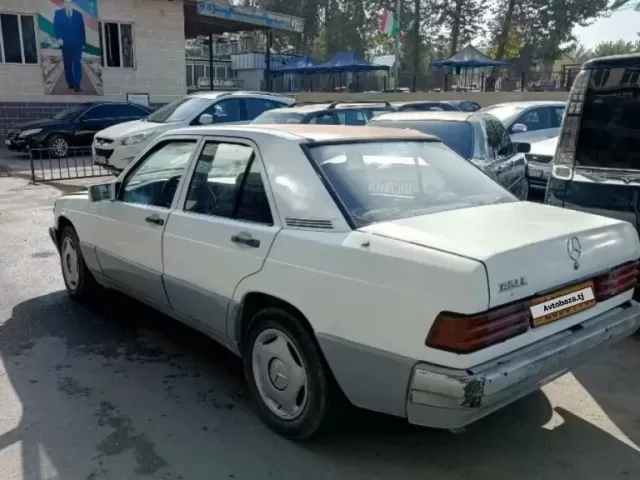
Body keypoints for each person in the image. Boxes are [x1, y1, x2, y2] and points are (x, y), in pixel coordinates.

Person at [53, 0, 86, 92]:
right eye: (66, 2)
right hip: (65, 44)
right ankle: (70, 83)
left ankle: (77, 84)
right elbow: (56, 26)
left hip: (77, 44)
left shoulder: (78, 15)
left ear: (72, 4)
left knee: (77, 64)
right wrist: (59, 37)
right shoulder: (58, 14)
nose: (68, 4)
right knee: (67, 65)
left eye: (70, 2)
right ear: (64, 3)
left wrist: (83, 43)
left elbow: (82, 30)